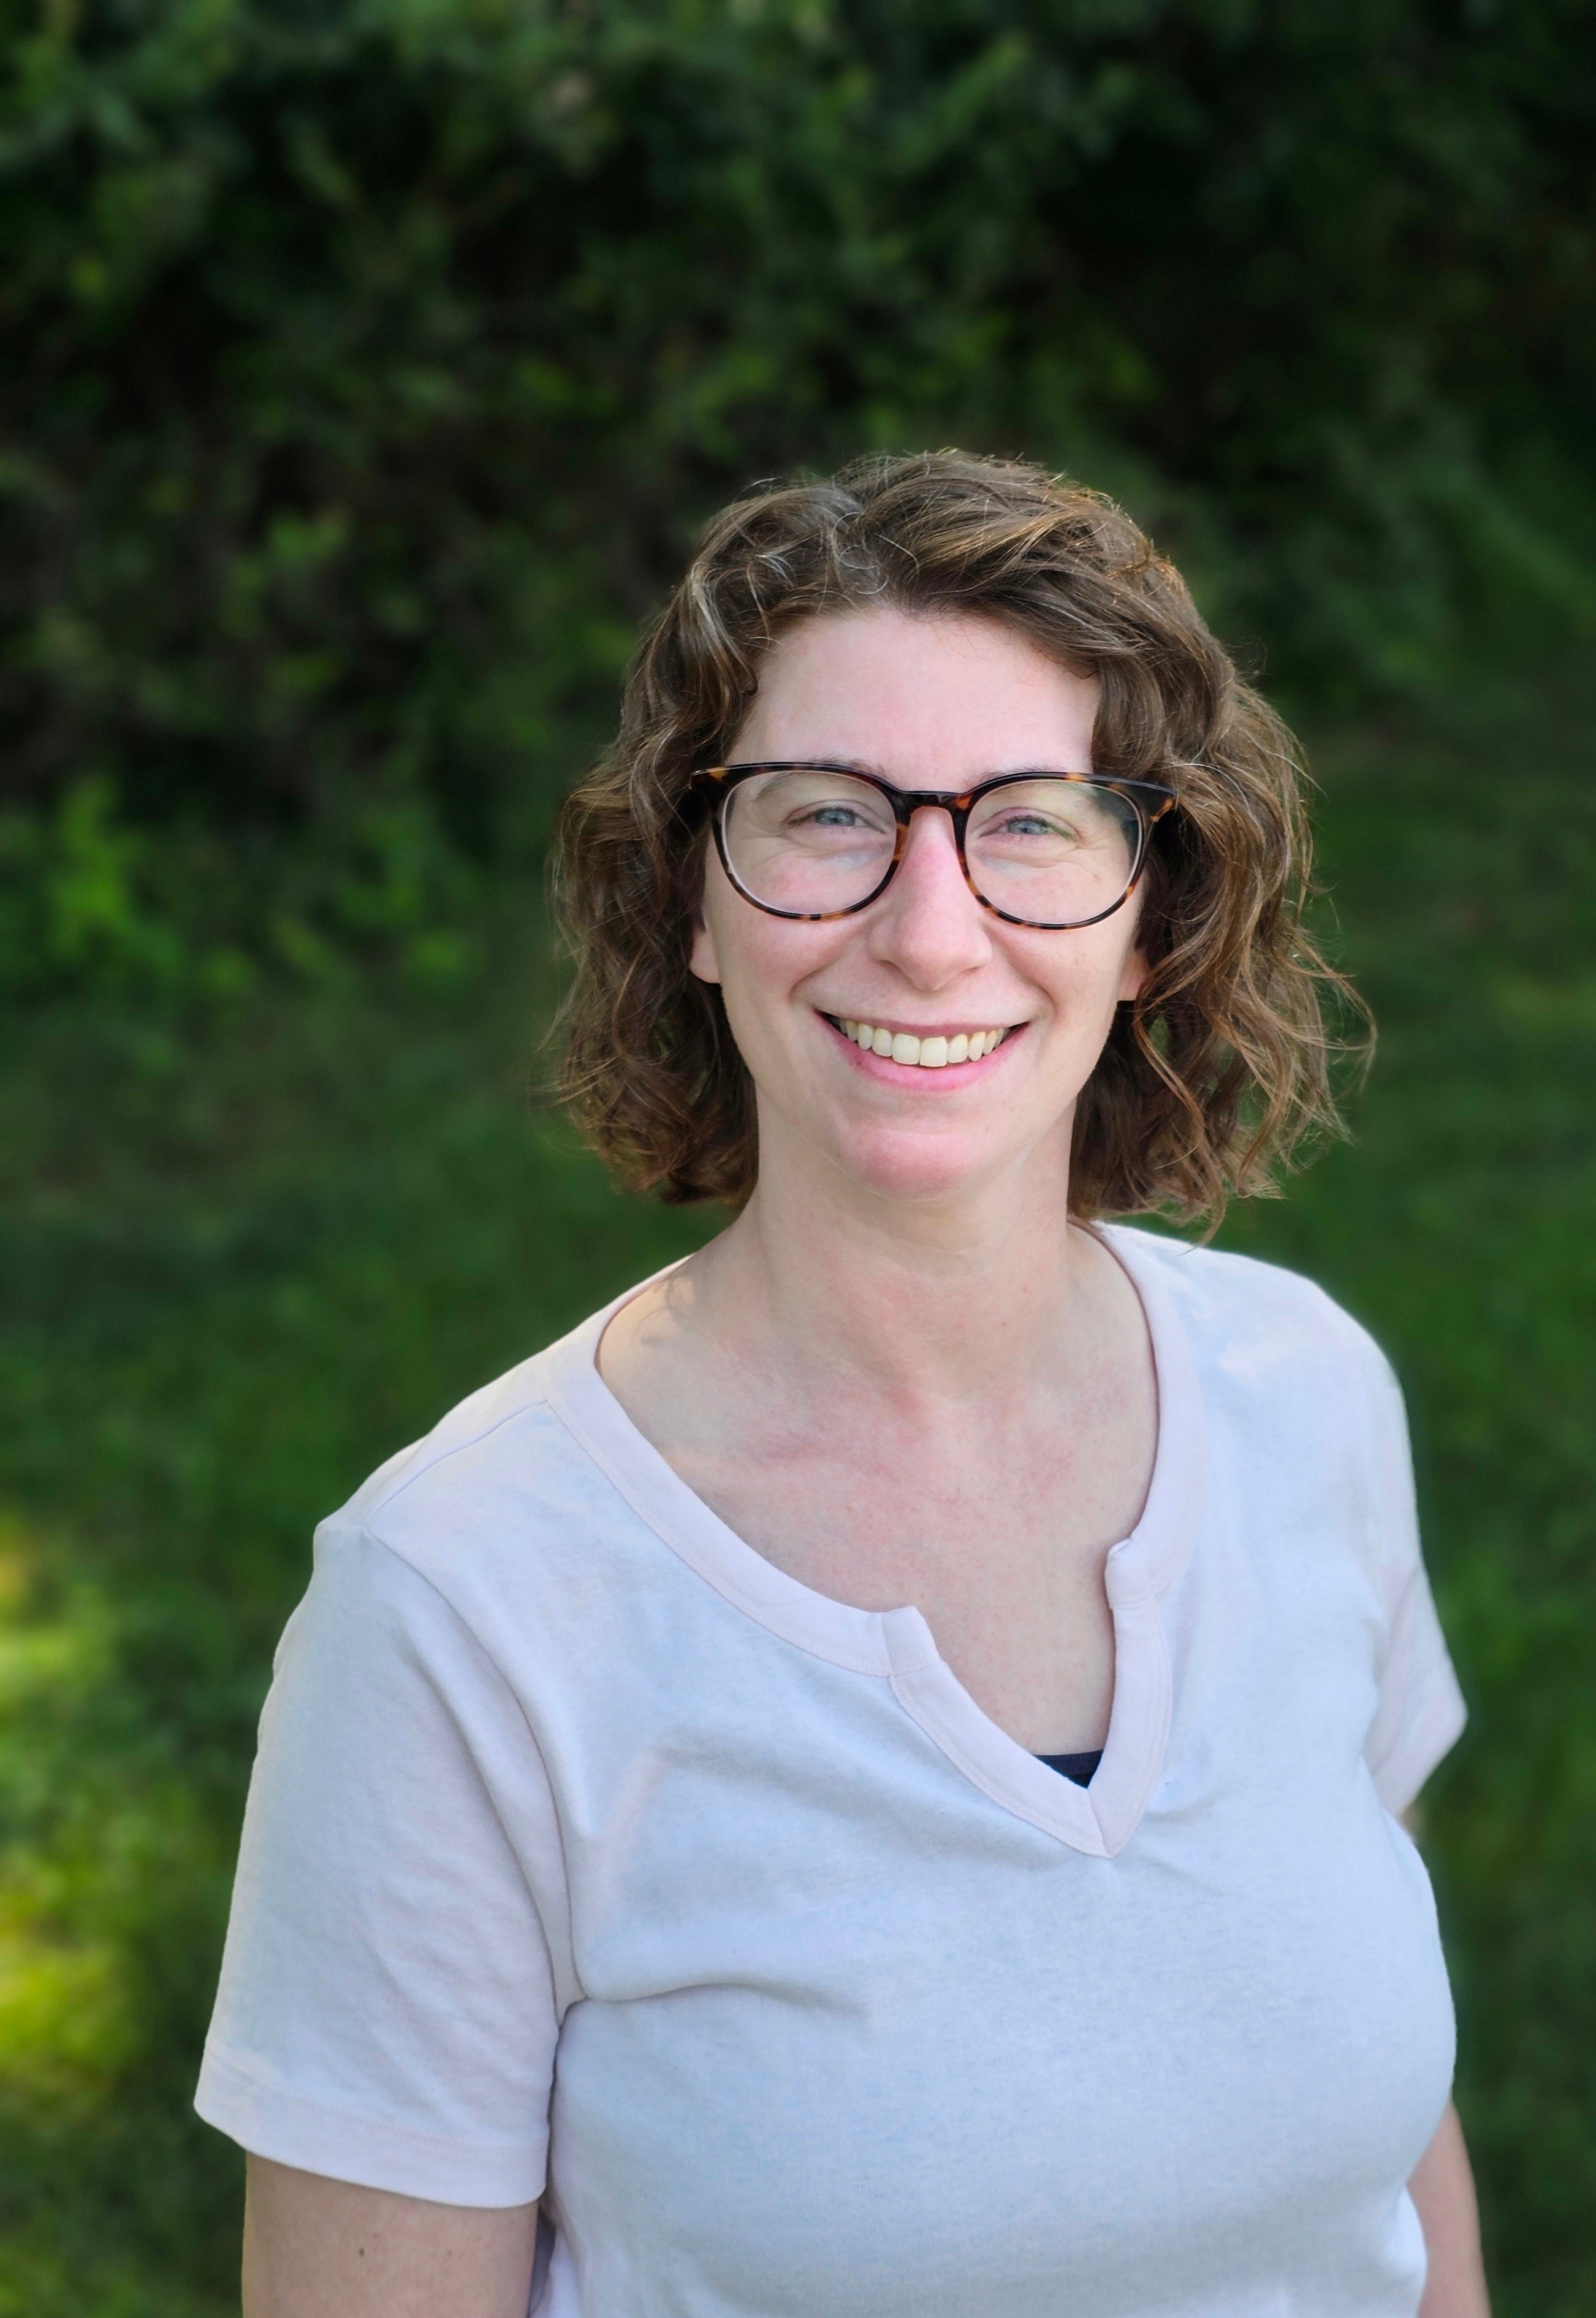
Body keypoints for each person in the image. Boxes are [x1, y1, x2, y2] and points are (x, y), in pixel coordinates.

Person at [197, 452, 1490, 2318]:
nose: (931, 928)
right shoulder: (462, 1605)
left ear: (1151, 915)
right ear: (693, 908)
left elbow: (1385, 2141)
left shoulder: (1305, 1397)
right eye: (826, 817)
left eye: (1031, 821)